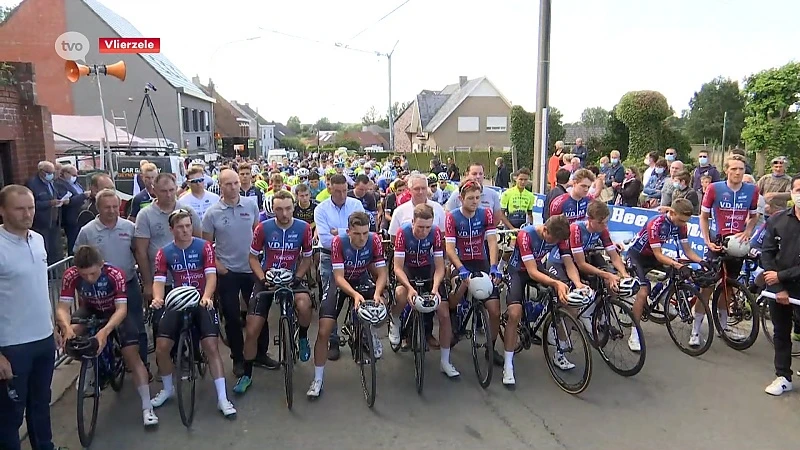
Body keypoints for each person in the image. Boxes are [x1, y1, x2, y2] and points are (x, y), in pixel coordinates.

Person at [149, 209, 237, 417]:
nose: (186, 230)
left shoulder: (204, 247)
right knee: (161, 347)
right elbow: (159, 280)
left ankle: (222, 398)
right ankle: (168, 389)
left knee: (211, 347)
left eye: (188, 226)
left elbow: (211, 276)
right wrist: (158, 298)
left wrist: (207, 296)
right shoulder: (164, 252)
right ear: (172, 230)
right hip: (177, 300)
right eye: (180, 227)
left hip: (200, 299)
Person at [58, 245, 158, 426]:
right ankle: (88, 365)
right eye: (84, 275)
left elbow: (121, 310)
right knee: (72, 332)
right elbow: (62, 309)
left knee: (131, 357)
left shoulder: (114, 274)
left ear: (101, 265)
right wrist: (67, 329)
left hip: (115, 310)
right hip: (91, 308)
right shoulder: (70, 274)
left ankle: (147, 407)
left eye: (93, 274)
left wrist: (104, 332)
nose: (89, 278)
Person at [0, 185, 68, 450]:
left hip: (42, 339)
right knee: (10, 416)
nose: (28, 213)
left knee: (40, 405)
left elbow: (39, 289)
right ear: (3, 211)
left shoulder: (38, 239)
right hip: (12, 346)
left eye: (30, 207)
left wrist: (52, 328)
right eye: (20, 208)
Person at [235, 190, 314, 394]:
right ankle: (247, 374)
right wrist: (262, 278)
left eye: (288, 208)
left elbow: (307, 258)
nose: (284, 213)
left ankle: (303, 338)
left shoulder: (304, 228)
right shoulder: (263, 228)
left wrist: (298, 276)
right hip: (266, 278)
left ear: (294, 207)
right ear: (273, 210)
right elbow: (252, 258)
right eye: (279, 209)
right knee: (252, 330)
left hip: (292, 276)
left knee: (305, 305)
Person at [307, 212, 386, 398]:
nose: (362, 238)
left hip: (361, 277)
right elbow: (339, 277)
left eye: (365, 233)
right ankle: (317, 379)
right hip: (341, 283)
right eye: (357, 234)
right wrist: (355, 294)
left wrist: (376, 293)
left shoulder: (374, 240)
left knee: (382, 305)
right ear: (348, 231)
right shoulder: (338, 242)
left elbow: (382, 273)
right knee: (324, 330)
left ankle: (369, 332)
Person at [75, 189, 149, 373]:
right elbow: (78, 258)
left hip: (128, 283)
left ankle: (142, 364)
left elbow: (138, 252)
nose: (112, 210)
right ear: (98, 207)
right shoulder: (87, 231)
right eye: (107, 207)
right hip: (98, 288)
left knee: (137, 325)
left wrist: (147, 281)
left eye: (115, 206)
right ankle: (103, 366)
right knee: (99, 325)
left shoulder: (129, 227)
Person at [546, 201, 630, 356]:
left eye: (606, 222)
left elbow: (613, 255)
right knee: (571, 302)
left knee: (612, 282)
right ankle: (560, 344)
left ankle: (598, 316)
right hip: (560, 262)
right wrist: (606, 274)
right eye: (600, 222)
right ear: (590, 219)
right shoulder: (576, 229)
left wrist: (622, 273)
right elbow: (581, 264)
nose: (604, 226)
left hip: (575, 262)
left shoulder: (602, 229)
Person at [202, 169, 264, 377]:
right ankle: (238, 357)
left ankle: (260, 354)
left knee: (258, 314)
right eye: (228, 184)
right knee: (232, 317)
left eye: (236, 183)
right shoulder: (212, 213)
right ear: (220, 185)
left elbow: (258, 233)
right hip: (227, 271)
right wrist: (219, 267)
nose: (234, 187)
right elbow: (207, 245)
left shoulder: (251, 205)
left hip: (250, 269)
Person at [697, 154, 760, 346]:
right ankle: (696, 330)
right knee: (706, 286)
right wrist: (707, 240)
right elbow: (703, 216)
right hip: (718, 241)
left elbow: (754, 216)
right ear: (726, 170)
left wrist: (748, 231)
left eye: (741, 169)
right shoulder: (715, 188)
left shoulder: (752, 190)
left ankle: (723, 327)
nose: (738, 172)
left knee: (728, 286)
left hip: (737, 243)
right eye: (734, 169)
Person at [626, 199, 704, 351]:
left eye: (685, 221)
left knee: (677, 272)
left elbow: (687, 250)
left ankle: (662, 295)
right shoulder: (656, 223)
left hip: (654, 257)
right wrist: (677, 264)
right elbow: (658, 254)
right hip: (638, 256)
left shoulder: (681, 225)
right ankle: (634, 332)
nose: (683, 224)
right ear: (672, 213)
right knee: (642, 292)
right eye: (681, 220)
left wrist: (703, 262)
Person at [503, 215, 571, 385]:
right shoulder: (526, 234)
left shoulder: (558, 235)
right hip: (518, 271)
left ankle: (559, 352)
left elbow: (568, 262)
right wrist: (556, 283)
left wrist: (570, 283)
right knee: (514, 314)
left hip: (537, 266)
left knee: (565, 298)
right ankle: (508, 365)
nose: (554, 242)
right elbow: (532, 272)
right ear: (545, 230)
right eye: (553, 239)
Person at [391, 204, 456, 376]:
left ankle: (445, 361)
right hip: (408, 269)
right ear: (412, 222)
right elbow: (397, 268)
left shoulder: (435, 233)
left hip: (428, 270)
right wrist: (410, 288)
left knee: (444, 312)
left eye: (427, 227)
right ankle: (395, 321)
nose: (424, 231)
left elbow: (440, 266)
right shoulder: (403, 233)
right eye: (420, 227)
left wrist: (435, 288)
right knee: (401, 295)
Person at [445, 180, 504, 366]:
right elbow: (449, 248)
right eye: (470, 198)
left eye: (478, 198)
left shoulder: (485, 214)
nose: (475, 201)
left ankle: (490, 347)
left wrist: (494, 266)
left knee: (494, 311)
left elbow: (492, 242)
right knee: (457, 294)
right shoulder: (452, 217)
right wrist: (460, 269)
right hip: (461, 261)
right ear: (461, 198)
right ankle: (454, 323)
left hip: (481, 261)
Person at [134, 173, 202, 316]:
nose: (169, 195)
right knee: (163, 325)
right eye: (164, 191)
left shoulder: (188, 211)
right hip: (161, 281)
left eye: (171, 190)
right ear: (154, 191)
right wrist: (147, 283)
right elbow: (141, 252)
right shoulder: (145, 215)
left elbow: (199, 243)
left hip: (187, 278)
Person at [314, 174, 365, 360]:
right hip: (329, 258)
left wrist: (339, 232)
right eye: (338, 191)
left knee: (362, 293)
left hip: (356, 255)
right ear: (330, 189)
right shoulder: (320, 209)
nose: (342, 194)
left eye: (345, 190)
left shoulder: (356, 205)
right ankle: (333, 340)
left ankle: (361, 334)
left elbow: (364, 232)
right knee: (331, 302)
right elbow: (326, 240)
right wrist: (349, 233)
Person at [761, 174, 800, 395]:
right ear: (792, 193)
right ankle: (783, 376)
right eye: (798, 190)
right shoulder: (777, 220)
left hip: (791, 284)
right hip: (779, 289)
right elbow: (767, 254)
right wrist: (777, 287)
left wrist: (781, 276)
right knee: (781, 332)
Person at [445, 162, 516, 229]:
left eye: (480, 174)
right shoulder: (456, 194)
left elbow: (497, 218)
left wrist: (485, 232)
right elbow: (448, 215)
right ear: (467, 174)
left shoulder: (493, 194)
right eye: (474, 174)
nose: (478, 176)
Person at [26, 161, 65, 264]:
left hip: (54, 221)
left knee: (55, 248)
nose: (51, 175)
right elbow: (32, 204)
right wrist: (49, 203)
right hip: (41, 223)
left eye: (52, 172)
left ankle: (56, 272)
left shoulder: (51, 183)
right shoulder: (32, 184)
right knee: (45, 249)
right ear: (41, 172)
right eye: (49, 172)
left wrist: (60, 200)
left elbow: (55, 195)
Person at [56, 164, 88, 255]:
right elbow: (67, 201)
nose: (75, 177)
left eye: (76, 175)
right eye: (73, 175)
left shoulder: (76, 184)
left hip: (80, 215)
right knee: (73, 242)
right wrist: (83, 196)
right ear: (65, 173)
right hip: (71, 217)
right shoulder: (60, 184)